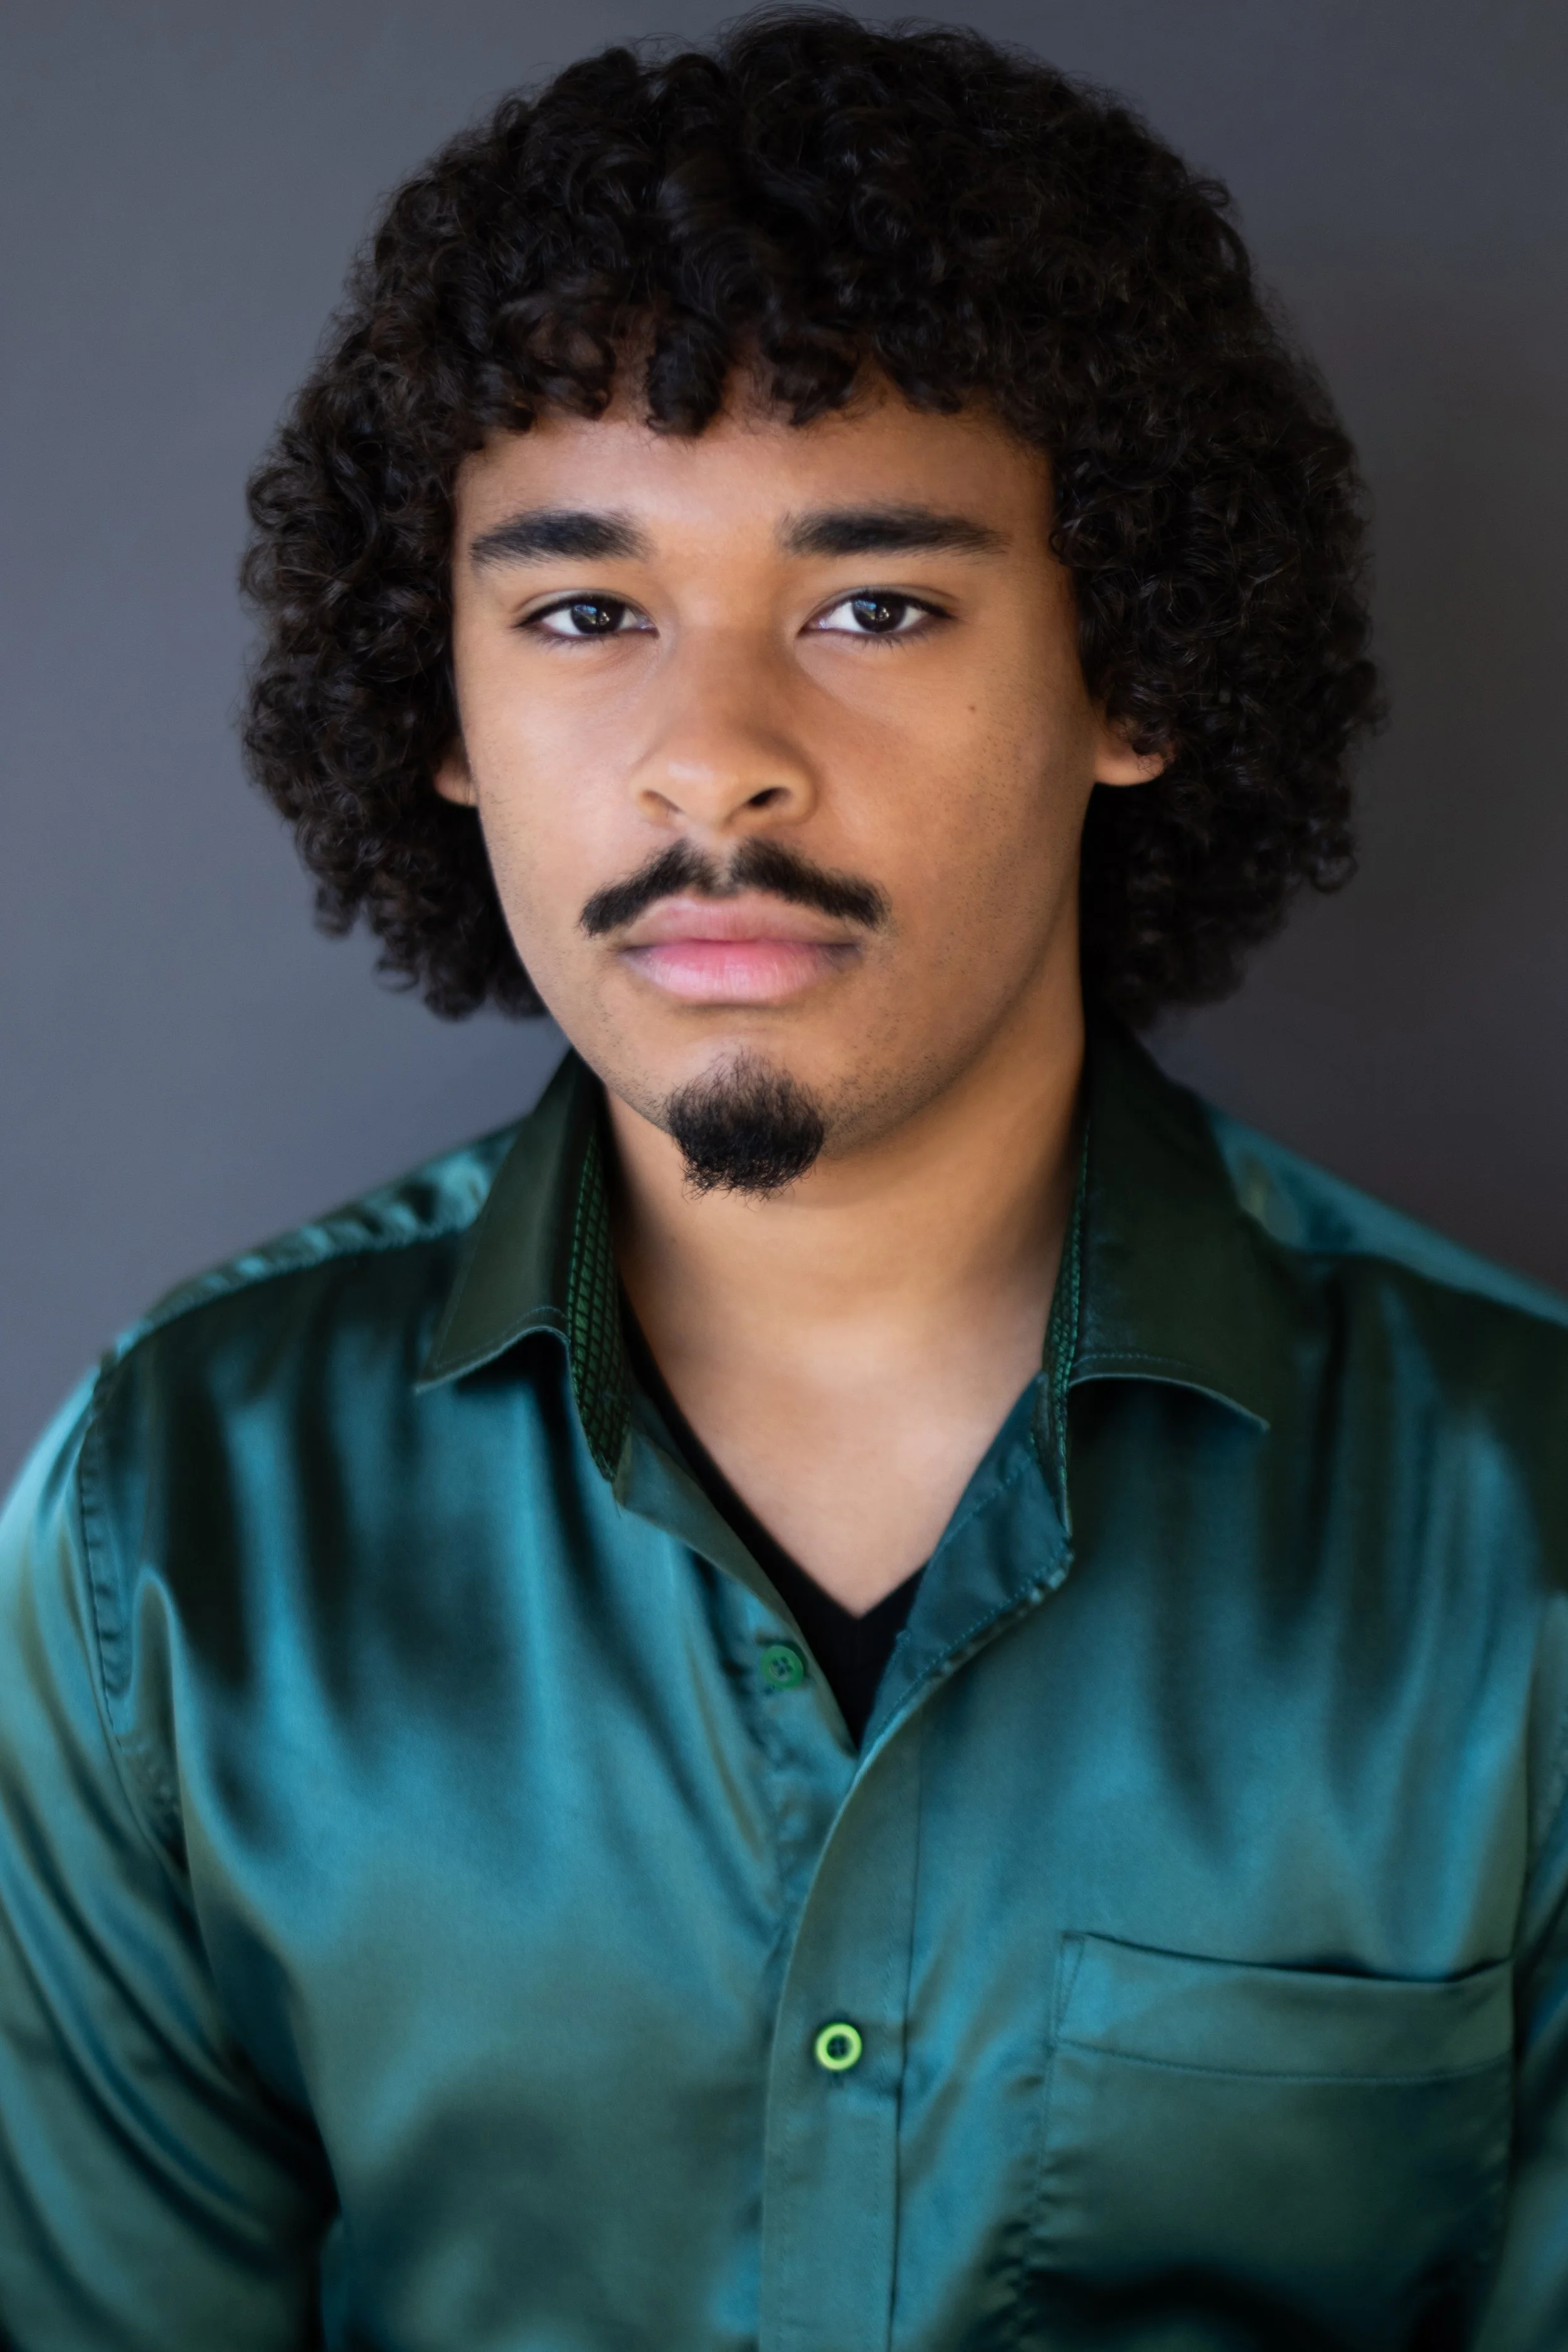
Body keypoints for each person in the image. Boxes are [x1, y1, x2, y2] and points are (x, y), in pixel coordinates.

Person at [1, 11, 1563, 2346]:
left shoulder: (1520, 1525)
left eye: (873, 607)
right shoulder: (174, 1526)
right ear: (440, 707)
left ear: (1124, 673)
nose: (708, 761)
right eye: (582, 613)